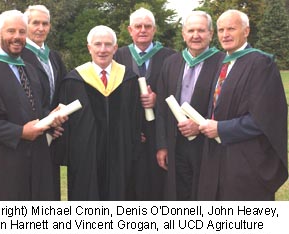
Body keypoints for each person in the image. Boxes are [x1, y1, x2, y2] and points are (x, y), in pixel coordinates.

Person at [0, 10, 66, 200]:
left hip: (35, 161)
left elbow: (36, 108)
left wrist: (51, 117)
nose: (17, 37)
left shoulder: (31, 70)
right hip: (2, 163)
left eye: (21, 32)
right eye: (11, 31)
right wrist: (20, 132)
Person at [198, 9, 288, 200]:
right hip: (217, 158)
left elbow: (264, 118)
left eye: (231, 28)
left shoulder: (261, 63)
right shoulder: (223, 63)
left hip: (245, 162)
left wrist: (221, 128)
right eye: (221, 29)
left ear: (246, 31)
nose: (225, 34)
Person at [57, 25, 142, 200]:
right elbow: (65, 124)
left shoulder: (129, 79)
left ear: (115, 48)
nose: (102, 49)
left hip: (121, 157)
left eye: (107, 44)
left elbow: (136, 120)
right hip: (85, 158)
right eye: (97, 44)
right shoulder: (74, 80)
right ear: (89, 48)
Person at [155, 11, 224, 201]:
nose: (196, 35)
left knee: (205, 194)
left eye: (201, 30)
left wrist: (200, 126)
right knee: (179, 194)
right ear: (183, 34)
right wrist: (162, 145)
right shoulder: (171, 63)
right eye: (191, 30)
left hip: (207, 145)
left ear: (211, 34)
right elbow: (161, 108)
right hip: (176, 143)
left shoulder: (222, 63)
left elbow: (226, 106)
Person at [114, 7, 175, 200]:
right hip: (127, 134)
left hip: (159, 133)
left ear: (154, 29)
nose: (142, 30)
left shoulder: (171, 57)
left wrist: (158, 100)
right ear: (129, 30)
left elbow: (179, 93)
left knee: (157, 186)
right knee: (128, 187)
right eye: (137, 26)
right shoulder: (117, 56)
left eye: (147, 26)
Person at [22, 5, 67, 200]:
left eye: (45, 24)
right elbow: (19, 96)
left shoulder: (53, 56)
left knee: (49, 191)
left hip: (52, 136)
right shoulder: (18, 56)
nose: (41, 28)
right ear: (26, 25)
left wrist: (58, 118)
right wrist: (46, 120)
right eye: (35, 23)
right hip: (30, 133)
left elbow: (63, 90)